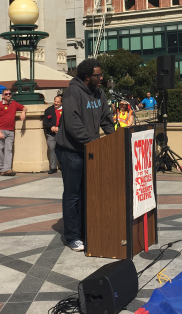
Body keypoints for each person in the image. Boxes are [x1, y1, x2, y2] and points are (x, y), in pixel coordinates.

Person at [55, 58, 114, 252]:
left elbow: (106, 119)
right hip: (71, 151)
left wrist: (116, 137)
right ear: (87, 76)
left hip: (90, 149)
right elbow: (73, 124)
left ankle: (85, 231)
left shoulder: (99, 93)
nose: (101, 78)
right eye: (98, 75)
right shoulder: (73, 92)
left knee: (88, 193)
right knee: (73, 195)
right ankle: (72, 236)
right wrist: (92, 141)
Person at [0, 88, 27, 176]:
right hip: (1, 130)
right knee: (0, 150)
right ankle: (2, 169)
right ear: (2, 96)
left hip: (11, 130)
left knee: (8, 150)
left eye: (9, 94)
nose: (8, 95)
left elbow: (24, 107)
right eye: (6, 94)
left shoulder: (14, 104)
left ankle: (7, 169)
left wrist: (23, 112)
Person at [43, 94, 62, 174]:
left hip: (62, 134)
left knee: (63, 150)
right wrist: (51, 127)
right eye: (55, 101)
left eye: (58, 102)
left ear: (61, 103)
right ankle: (53, 167)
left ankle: (63, 166)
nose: (56, 103)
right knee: (52, 148)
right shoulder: (48, 110)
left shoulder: (65, 110)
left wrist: (59, 128)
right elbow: (45, 121)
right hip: (51, 134)